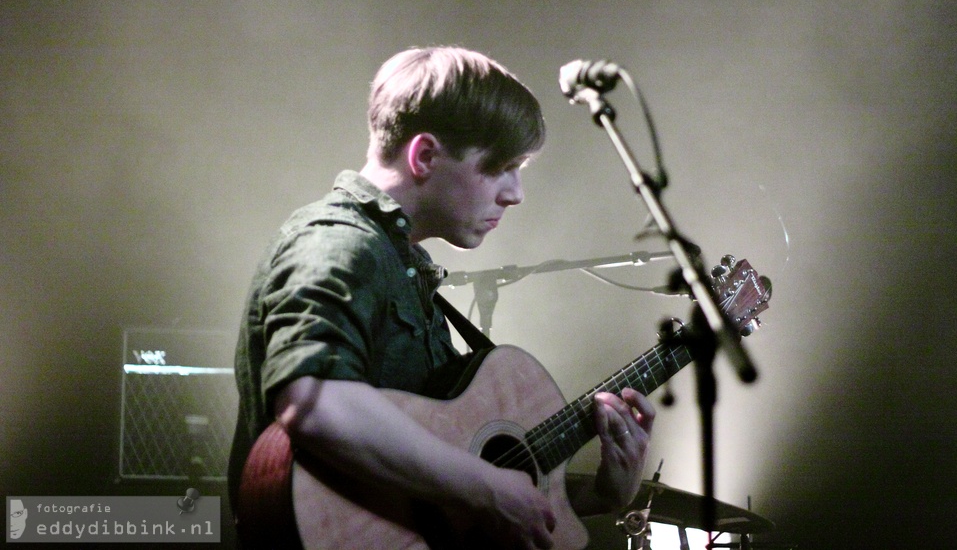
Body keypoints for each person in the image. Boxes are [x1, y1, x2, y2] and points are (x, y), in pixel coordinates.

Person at [228, 46, 656, 549]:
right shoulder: (339, 243)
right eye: (500, 167)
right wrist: (486, 490)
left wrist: (599, 497)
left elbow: (432, 492)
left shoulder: (402, 262)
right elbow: (314, 402)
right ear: (425, 155)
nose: (515, 193)